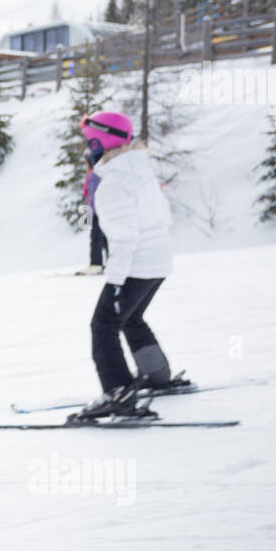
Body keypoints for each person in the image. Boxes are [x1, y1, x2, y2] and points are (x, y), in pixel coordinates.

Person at [75, 111, 175, 417]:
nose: (86, 148)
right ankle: (157, 376)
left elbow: (124, 238)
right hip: (157, 263)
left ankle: (118, 393)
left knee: (103, 325)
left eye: (89, 141)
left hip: (136, 266)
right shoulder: (139, 168)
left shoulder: (113, 182)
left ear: (100, 140)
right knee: (131, 319)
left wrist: (115, 282)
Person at [75, 157, 108, 275]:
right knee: (103, 236)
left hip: (96, 210)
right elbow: (87, 192)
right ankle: (108, 262)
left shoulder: (94, 175)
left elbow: (90, 193)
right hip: (93, 209)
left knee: (96, 237)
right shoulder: (92, 174)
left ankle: (96, 264)